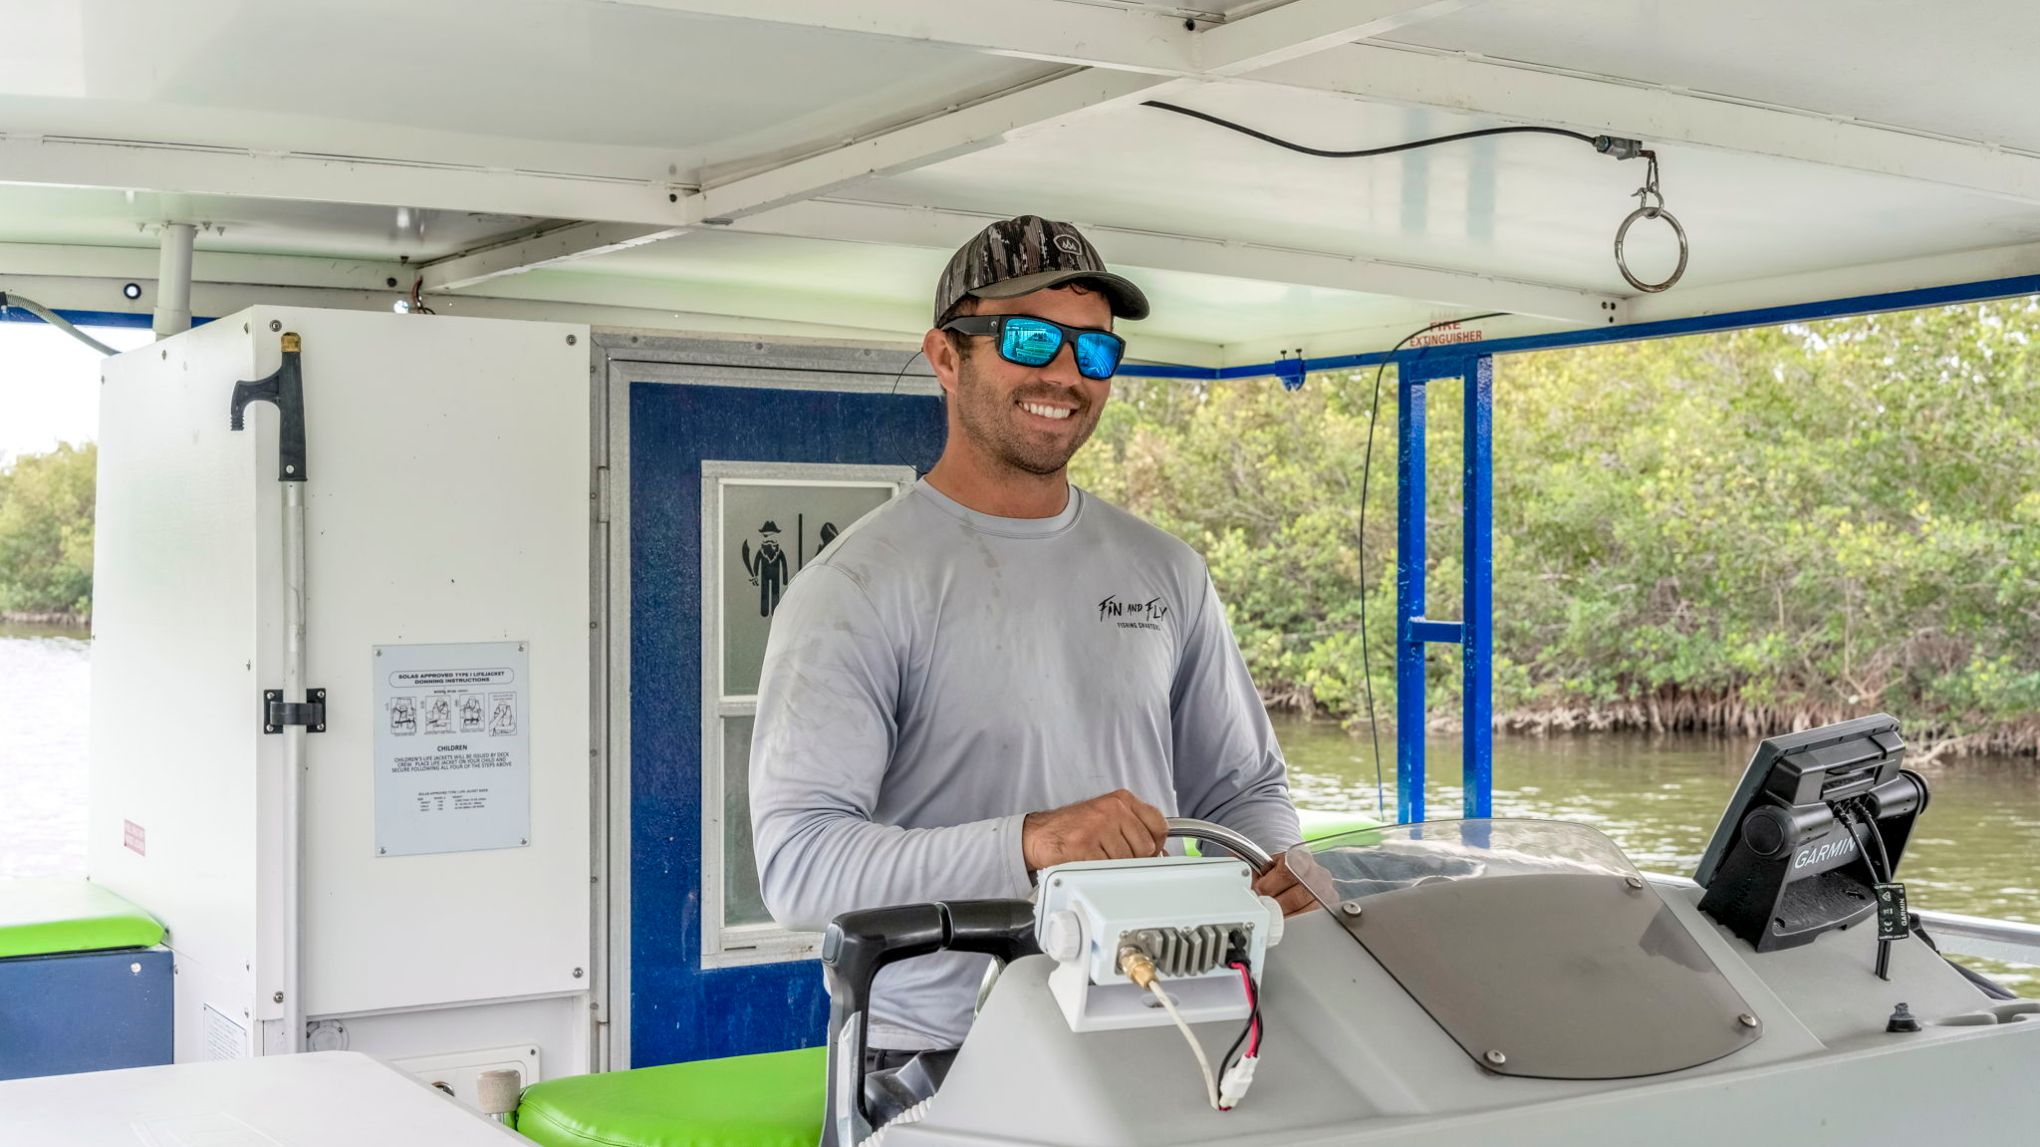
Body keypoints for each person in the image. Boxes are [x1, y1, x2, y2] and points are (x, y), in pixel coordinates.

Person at [750, 215, 1310, 1064]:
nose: (1065, 373)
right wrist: (1029, 844)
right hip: (940, 1057)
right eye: (1030, 338)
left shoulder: (1167, 570)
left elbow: (1243, 790)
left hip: (1161, 1028)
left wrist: (1283, 864)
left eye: (1093, 350)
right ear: (947, 356)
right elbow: (800, 867)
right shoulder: (856, 586)